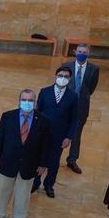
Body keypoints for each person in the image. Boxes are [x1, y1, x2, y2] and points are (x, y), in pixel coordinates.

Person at [0, 89, 49, 218]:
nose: (27, 103)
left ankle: (19, 217)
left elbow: (46, 145)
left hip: (29, 164)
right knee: (1, 189)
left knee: (23, 193)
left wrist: (43, 164)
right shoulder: (7, 117)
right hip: (7, 161)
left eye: (30, 100)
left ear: (35, 103)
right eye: (24, 100)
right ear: (19, 101)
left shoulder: (43, 121)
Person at [32, 66, 79, 198]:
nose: (62, 78)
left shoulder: (73, 97)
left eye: (66, 76)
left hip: (59, 135)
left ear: (69, 79)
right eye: (60, 75)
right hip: (42, 133)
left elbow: (74, 119)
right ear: (55, 76)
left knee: (54, 161)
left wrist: (69, 137)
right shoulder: (45, 92)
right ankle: (35, 182)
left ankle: (49, 185)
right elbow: (37, 112)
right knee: (39, 158)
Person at [61, 44, 99, 174]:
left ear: (89, 53)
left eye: (84, 52)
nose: (82, 53)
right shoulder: (66, 66)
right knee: (60, 130)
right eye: (79, 51)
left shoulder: (94, 69)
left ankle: (72, 160)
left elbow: (91, 87)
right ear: (75, 52)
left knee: (76, 134)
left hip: (81, 106)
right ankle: (53, 156)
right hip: (65, 104)